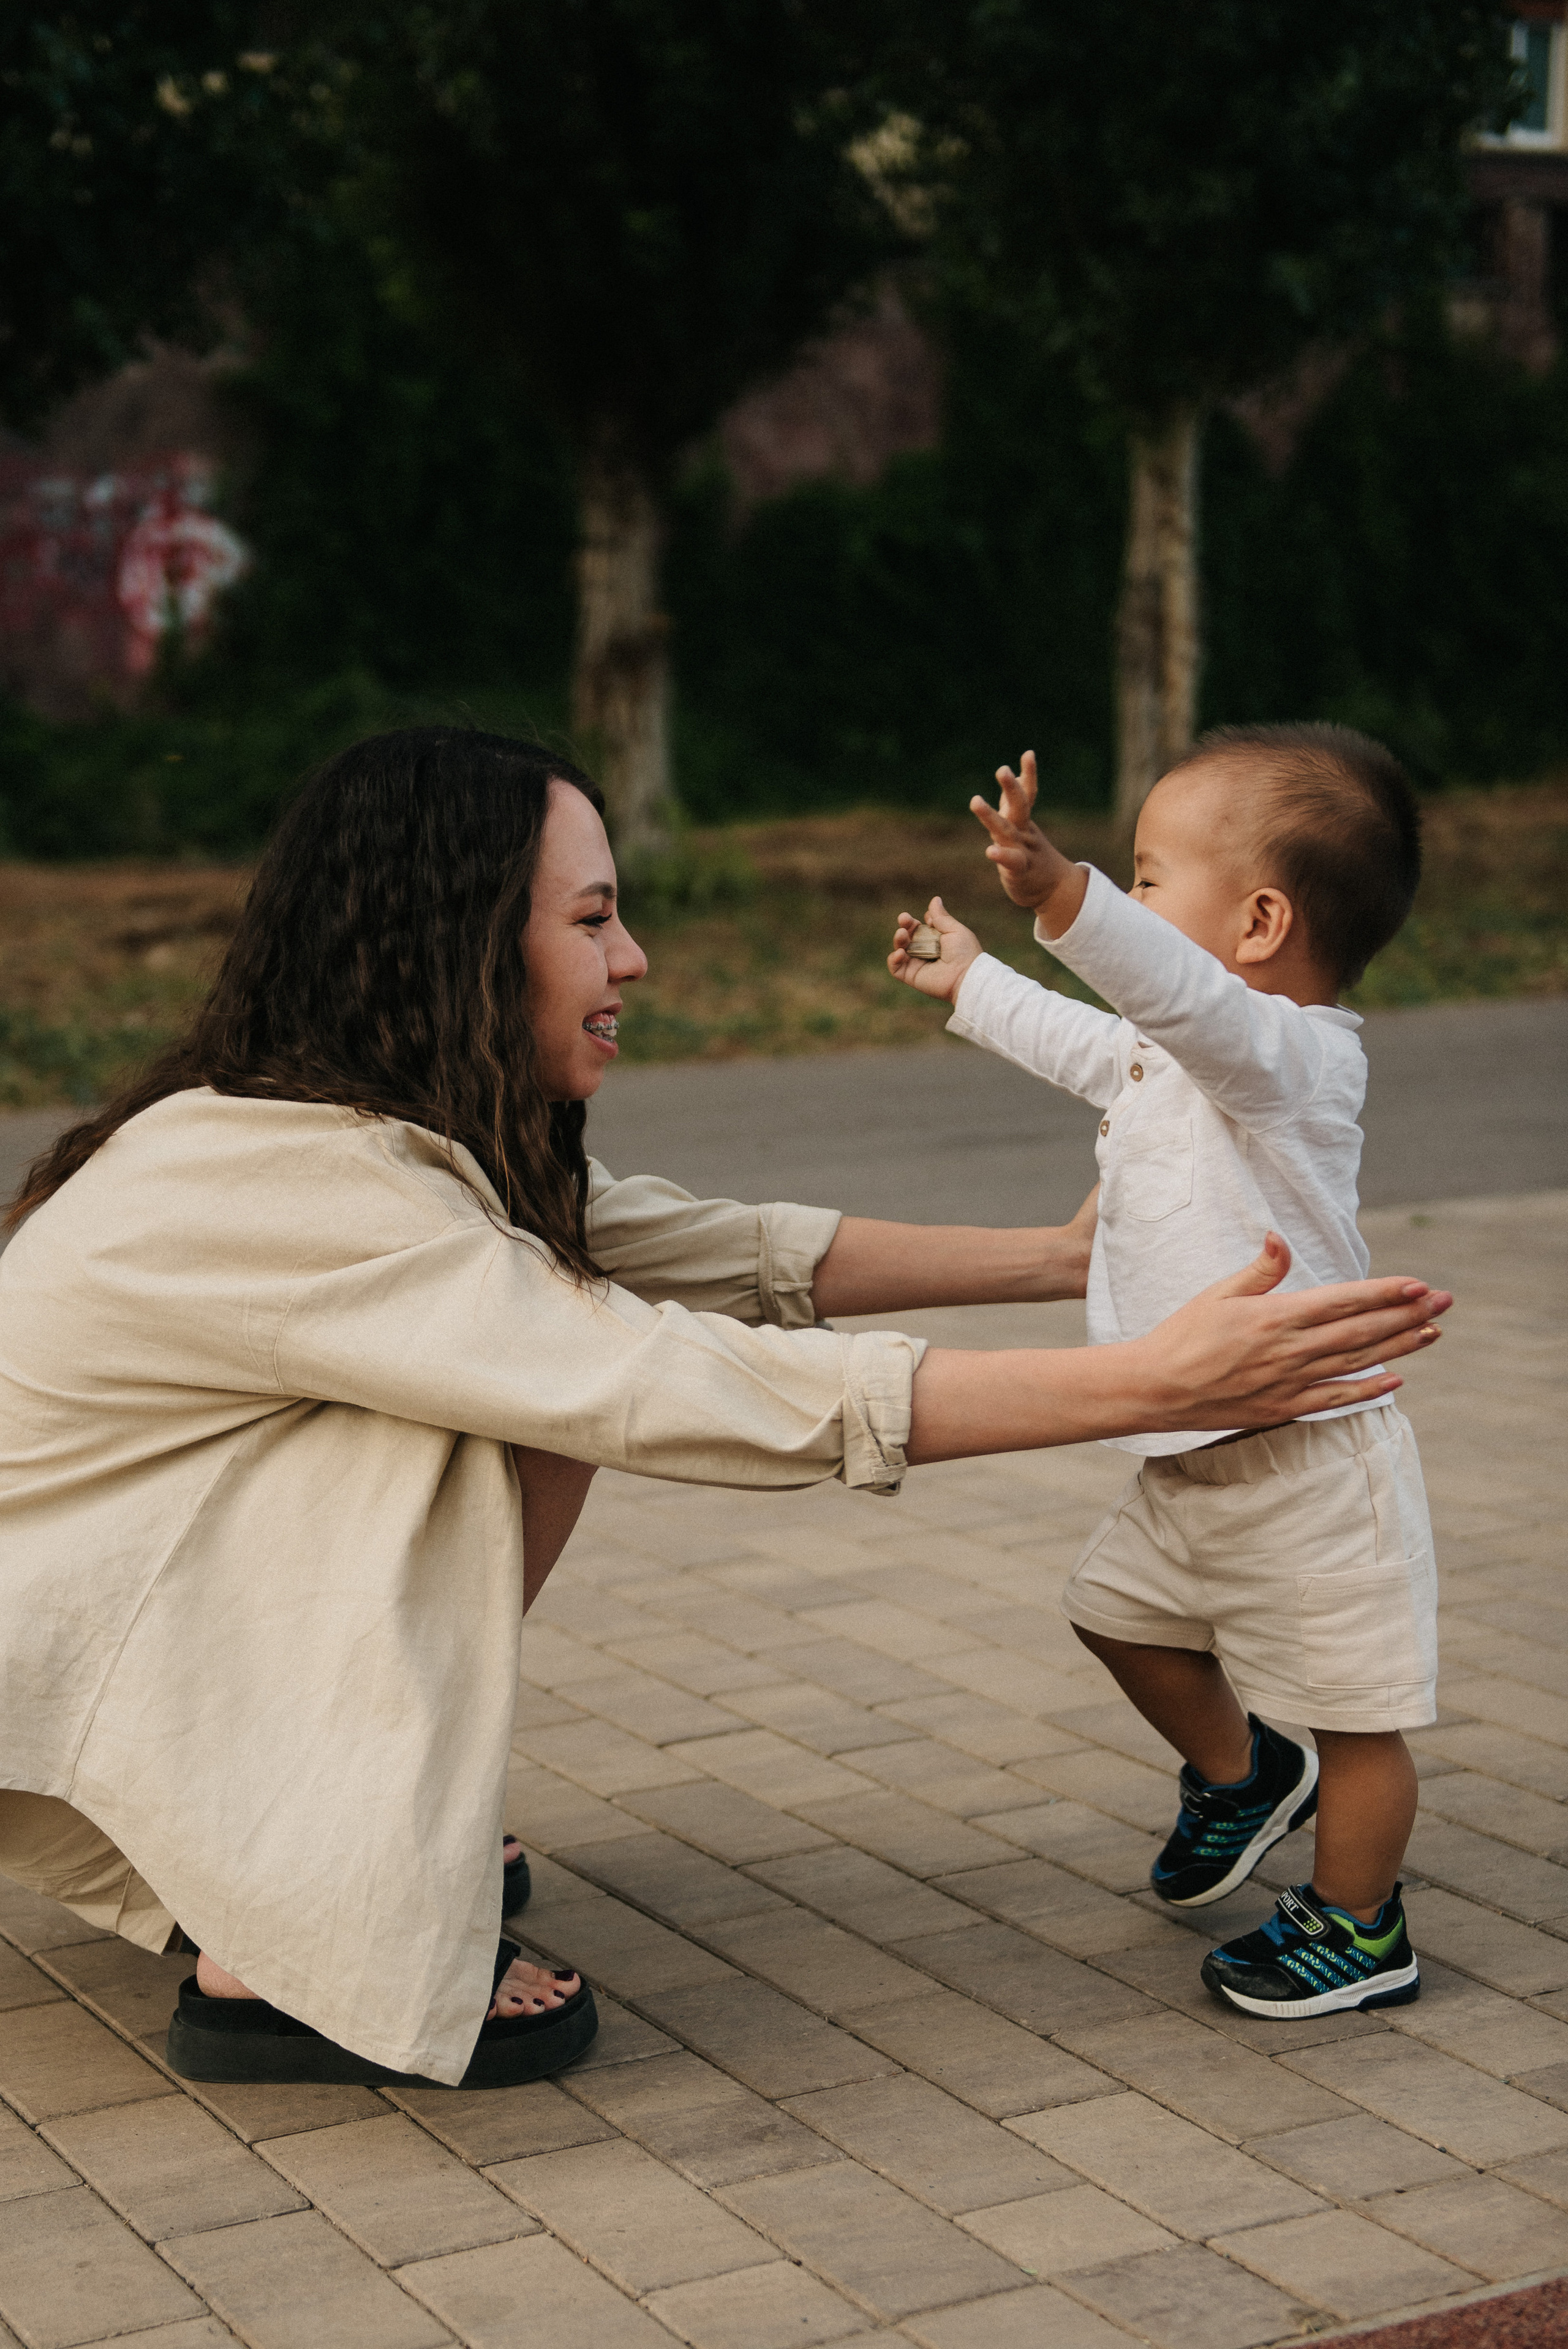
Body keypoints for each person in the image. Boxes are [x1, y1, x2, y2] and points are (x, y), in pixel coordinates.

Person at [0, 729, 1448, 2095]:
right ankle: (287, 1934)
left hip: (83, 1627)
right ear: (450, 938)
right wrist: (1140, 1381)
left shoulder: (360, 1128)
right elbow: (649, 1378)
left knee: (537, 1354)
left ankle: (325, 1824)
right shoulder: (296, 1185)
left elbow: (714, 1248)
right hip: (51, 1657)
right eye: (588, 921)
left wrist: (1064, 1265)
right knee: (507, 1408)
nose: (631, 956)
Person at [890, 725, 1437, 2019]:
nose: (1127, 902)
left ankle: (1362, 1926)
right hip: (1186, 1452)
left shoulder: (1297, 1062)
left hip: (1310, 1462)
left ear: (1255, 923)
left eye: (1146, 878)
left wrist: (1061, 893)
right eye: (1124, 879)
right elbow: (1095, 1042)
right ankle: (1244, 1774)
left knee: (1360, 1719)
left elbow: (1173, 1002)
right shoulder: (1170, 1058)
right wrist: (971, 981)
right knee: (1111, 1614)